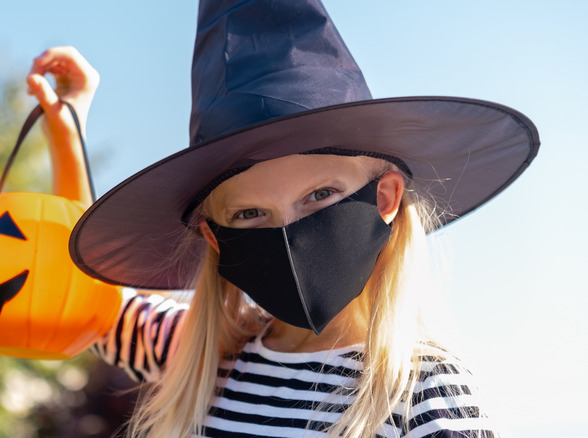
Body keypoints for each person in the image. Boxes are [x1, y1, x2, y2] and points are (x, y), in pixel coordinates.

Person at [27, 1, 538, 437]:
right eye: (250, 213)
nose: (288, 235)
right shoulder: (200, 358)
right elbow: (84, 304)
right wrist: (68, 129)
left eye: (320, 194)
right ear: (215, 237)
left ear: (385, 196)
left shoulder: (425, 394)